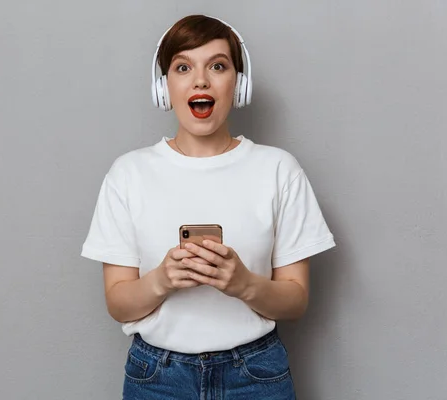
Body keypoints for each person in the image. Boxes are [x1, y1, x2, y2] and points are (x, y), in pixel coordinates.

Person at [81, 14, 336, 399]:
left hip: (256, 374)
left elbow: (296, 300)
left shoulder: (278, 169)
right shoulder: (128, 173)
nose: (201, 80)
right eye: (183, 67)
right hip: (157, 378)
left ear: (240, 83)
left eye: (218, 66)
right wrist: (162, 280)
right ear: (164, 87)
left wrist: (244, 284)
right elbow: (119, 304)